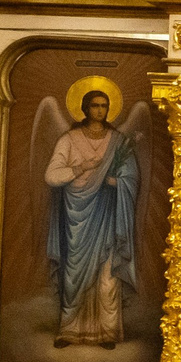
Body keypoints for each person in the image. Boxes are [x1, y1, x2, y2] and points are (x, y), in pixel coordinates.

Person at [46, 89, 140, 348]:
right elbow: (51, 176)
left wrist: (115, 182)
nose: (100, 110)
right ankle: (68, 331)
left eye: (104, 106)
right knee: (73, 276)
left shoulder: (118, 141)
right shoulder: (69, 139)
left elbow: (131, 178)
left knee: (107, 278)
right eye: (95, 105)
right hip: (76, 218)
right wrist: (80, 168)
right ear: (85, 108)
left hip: (107, 216)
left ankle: (107, 332)